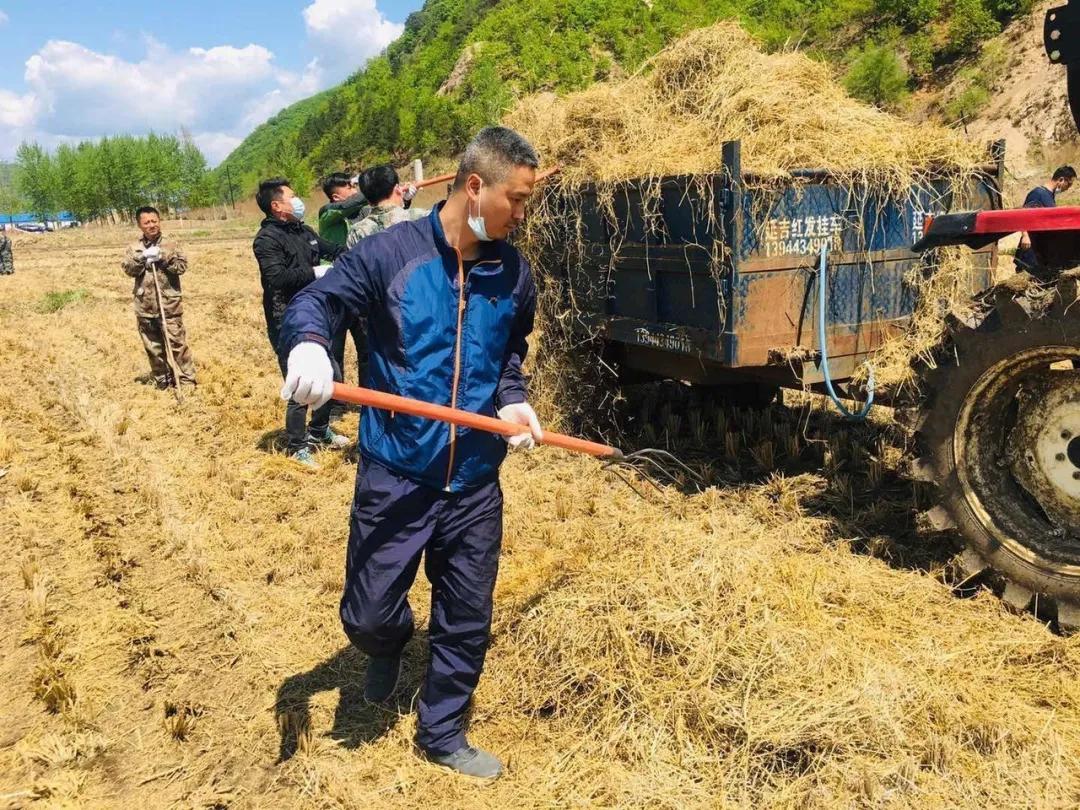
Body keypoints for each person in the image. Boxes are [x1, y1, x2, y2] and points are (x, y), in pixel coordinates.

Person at [278, 127, 543, 778]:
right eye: (518, 198)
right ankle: (388, 642)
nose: (524, 213)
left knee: (466, 615)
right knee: (366, 613)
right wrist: (310, 343)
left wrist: (511, 398)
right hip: (397, 470)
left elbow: (511, 351)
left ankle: (442, 732)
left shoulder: (514, 274)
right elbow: (318, 301)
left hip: (476, 479)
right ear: (475, 187)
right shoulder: (392, 254)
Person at [252, 178, 350, 467]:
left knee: (330, 374)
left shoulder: (303, 231)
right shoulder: (266, 240)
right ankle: (297, 445)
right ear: (277, 205)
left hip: (318, 314)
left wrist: (354, 255)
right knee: (302, 380)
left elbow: (332, 248)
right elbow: (277, 279)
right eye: (292, 197)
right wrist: (314, 272)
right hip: (288, 319)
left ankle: (319, 431)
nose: (298, 201)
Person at [121, 206, 196, 388]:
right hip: (145, 306)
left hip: (169, 304)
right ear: (140, 225)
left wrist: (163, 258)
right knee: (153, 348)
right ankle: (163, 379)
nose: (151, 225)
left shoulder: (172, 244)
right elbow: (128, 270)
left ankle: (187, 380)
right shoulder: (134, 248)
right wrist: (142, 259)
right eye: (146, 222)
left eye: (154, 221)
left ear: (159, 221)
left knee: (177, 344)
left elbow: (181, 267)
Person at [1015, 165, 1076, 274]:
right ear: (1061, 180)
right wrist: (1025, 236)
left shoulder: (1049, 196)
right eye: (1069, 184)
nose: (1068, 188)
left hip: (1040, 250)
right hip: (1030, 249)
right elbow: (1023, 214)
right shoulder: (1038, 194)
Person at [346, 164, 425, 248]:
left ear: (367, 199)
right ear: (397, 188)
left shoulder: (357, 233)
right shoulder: (420, 216)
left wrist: (405, 200)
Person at [317, 172, 369, 246]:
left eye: (354, 186)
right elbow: (347, 205)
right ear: (336, 197)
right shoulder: (328, 214)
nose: (355, 191)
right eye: (349, 188)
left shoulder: (360, 209)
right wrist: (374, 189)